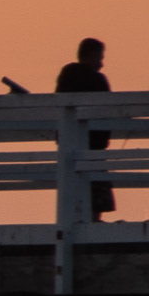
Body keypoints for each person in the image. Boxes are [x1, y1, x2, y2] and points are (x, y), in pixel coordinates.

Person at [53, 36, 114, 216]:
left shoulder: (66, 77)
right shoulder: (97, 80)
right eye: (100, 58)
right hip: (93, 147)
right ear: (92, 55)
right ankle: (92, 223)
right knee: (96, 195)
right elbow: (108, 110)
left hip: (68, 145)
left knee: (72, 190)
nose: (101, 64)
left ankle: (75, 222)